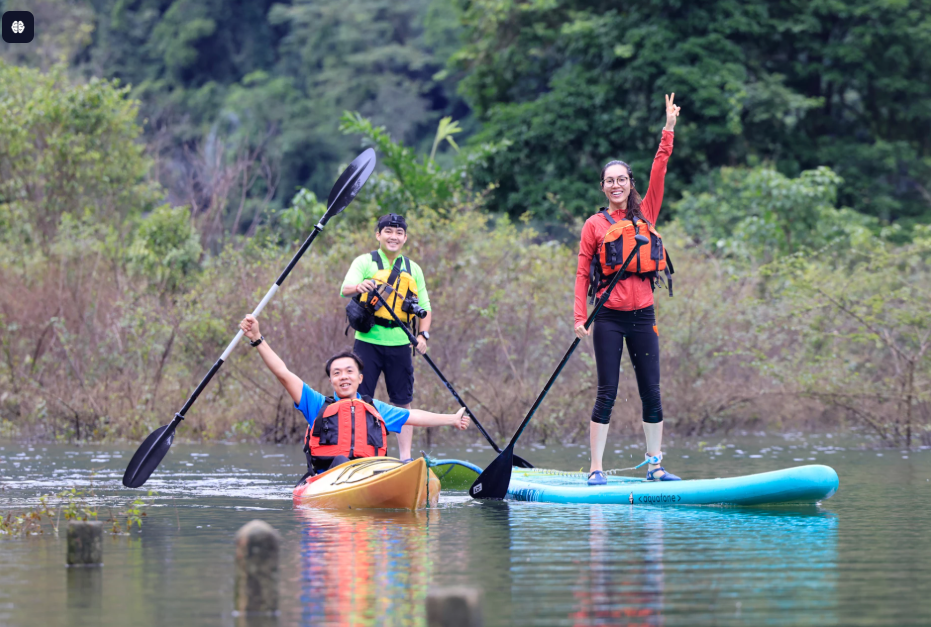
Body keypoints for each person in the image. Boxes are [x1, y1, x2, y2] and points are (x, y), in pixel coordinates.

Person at [574, 93, 682, 485]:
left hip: (643, 316)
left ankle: (655, 465)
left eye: (622, 180)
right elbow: (582, 275)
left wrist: (667, 130)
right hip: (607, 318)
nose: (616, 185)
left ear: (629, 184)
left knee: (651, 391)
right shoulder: (594, 225)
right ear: (602, 187)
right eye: (610, 181)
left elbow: (660, 169)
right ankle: (595, 469)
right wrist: (579, 318)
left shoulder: (646, 213)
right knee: (608, 392)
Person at [238, 315, 468, 474]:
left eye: (350, 371)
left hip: (369, 473)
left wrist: (452, 419)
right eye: (337, 373)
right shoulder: (316, 404)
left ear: (360, 378)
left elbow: (414, 416)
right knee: (340, 459)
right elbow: (283, 373)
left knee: (387, 465)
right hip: (331, 475)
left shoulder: (375, 409)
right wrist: (257, 339)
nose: (343, 377)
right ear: (331, 381)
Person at [340, 213, 432, 462]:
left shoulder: (413, 268)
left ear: (405, 237)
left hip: (401, 342)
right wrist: (362, 286)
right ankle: (358, 455)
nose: (393, 237)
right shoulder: (365, 262)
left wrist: (422, 335)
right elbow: (345, 289)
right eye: (388, 232)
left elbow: (424, 306)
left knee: (402, 402)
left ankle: (405, 459)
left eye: (399, 232)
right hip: (367, 341)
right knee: (360, 400)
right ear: (378, 235)